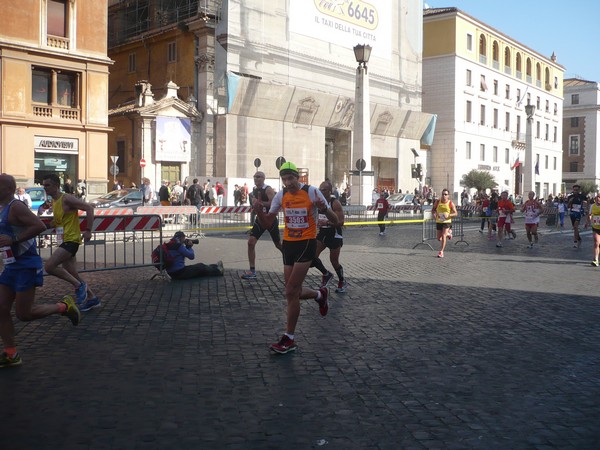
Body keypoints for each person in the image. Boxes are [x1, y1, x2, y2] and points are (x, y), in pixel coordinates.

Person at [253, 161, 338, 354]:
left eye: (291, 178)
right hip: (288, 245)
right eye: (284, 179)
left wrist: (323, 210)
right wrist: (259, 211)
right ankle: (319, 294)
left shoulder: (312, 192)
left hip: (307, 243)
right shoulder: (281, 196)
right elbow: (268, 223)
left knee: (290, 290)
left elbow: (336, 220)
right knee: (293, 292)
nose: (288, 182)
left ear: (297, 178)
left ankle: (289, 338)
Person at [0, 174, 81, 368]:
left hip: (26, 266)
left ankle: (63, 307)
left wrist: (15, 240)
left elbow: (39, 225)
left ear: (9, 188)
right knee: (1, 309)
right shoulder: (2, 208)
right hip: (11, 266)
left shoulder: (16, 206)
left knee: (24, 314)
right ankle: (11, 353)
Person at [41, 174, 100, 312]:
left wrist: (88, 230)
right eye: (43, 185)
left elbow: (89, 208)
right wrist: (41, 226)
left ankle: (79, 286)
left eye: (47, 185)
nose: (45, 188)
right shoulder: (54, 201)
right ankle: (92, 299)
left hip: (71, 239)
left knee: (49, 266)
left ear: (56, 185)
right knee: (72, 271)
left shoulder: (66, 198)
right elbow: (57, 221)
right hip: (64, 239)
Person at [241, 171, 282, 280]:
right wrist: (255, 206)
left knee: (278, 245)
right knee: (250, 242)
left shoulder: (268, 189)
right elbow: (255, 204)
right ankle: (252, 270)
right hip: (260, 220)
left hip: (270, 219)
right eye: (254, 176)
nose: (256, 178)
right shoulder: (254, 189)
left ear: (263, 178)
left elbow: (274, 203)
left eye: (258, 177)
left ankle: (290, 260)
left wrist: (261, 203)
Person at [311, 180, 348, 293]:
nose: (321, 191)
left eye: (324, 190)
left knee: (334, 261)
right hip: (322, 233)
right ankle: (326, 274)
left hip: (334, 234)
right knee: (311, 257)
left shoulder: (334, 203)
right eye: (320, 189)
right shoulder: (317, 202)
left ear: (330, 191)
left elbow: (341, 222)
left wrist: (327, 223)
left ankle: (342, 280)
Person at [433, 188, 457, 258]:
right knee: (438, 238)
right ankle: (448, 234)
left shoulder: (450, 203)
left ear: (448, 196)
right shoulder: (437, 202)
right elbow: (433, 209)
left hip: (447, 221)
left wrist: (449, 215)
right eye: (443, 194)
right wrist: (434, 214)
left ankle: (441, 251)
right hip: (439, 221)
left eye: (445, 194)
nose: (444, 196)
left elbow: (455, 213)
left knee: (443, 235)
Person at [567, 184, 587, 248]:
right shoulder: (570, 197)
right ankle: (579, 238)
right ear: (573, 190)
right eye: (574, 190)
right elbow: (568, 206)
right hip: (572, 213)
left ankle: (575, 242)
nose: (576, 191)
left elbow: (587, 201)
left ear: (579, 190)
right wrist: (570, 202)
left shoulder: (582, 196)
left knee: (576, 227)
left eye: (577, 190)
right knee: (575, 228)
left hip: (578, 213)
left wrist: (586, 209)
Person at [585, 193, 600, 266]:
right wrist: (587, 222)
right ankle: (596, 259)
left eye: (599, 197)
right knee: (596, 242)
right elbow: (590, 215)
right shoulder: (592, 206)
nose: (598, 199)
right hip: (595, 227)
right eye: (597, 197)